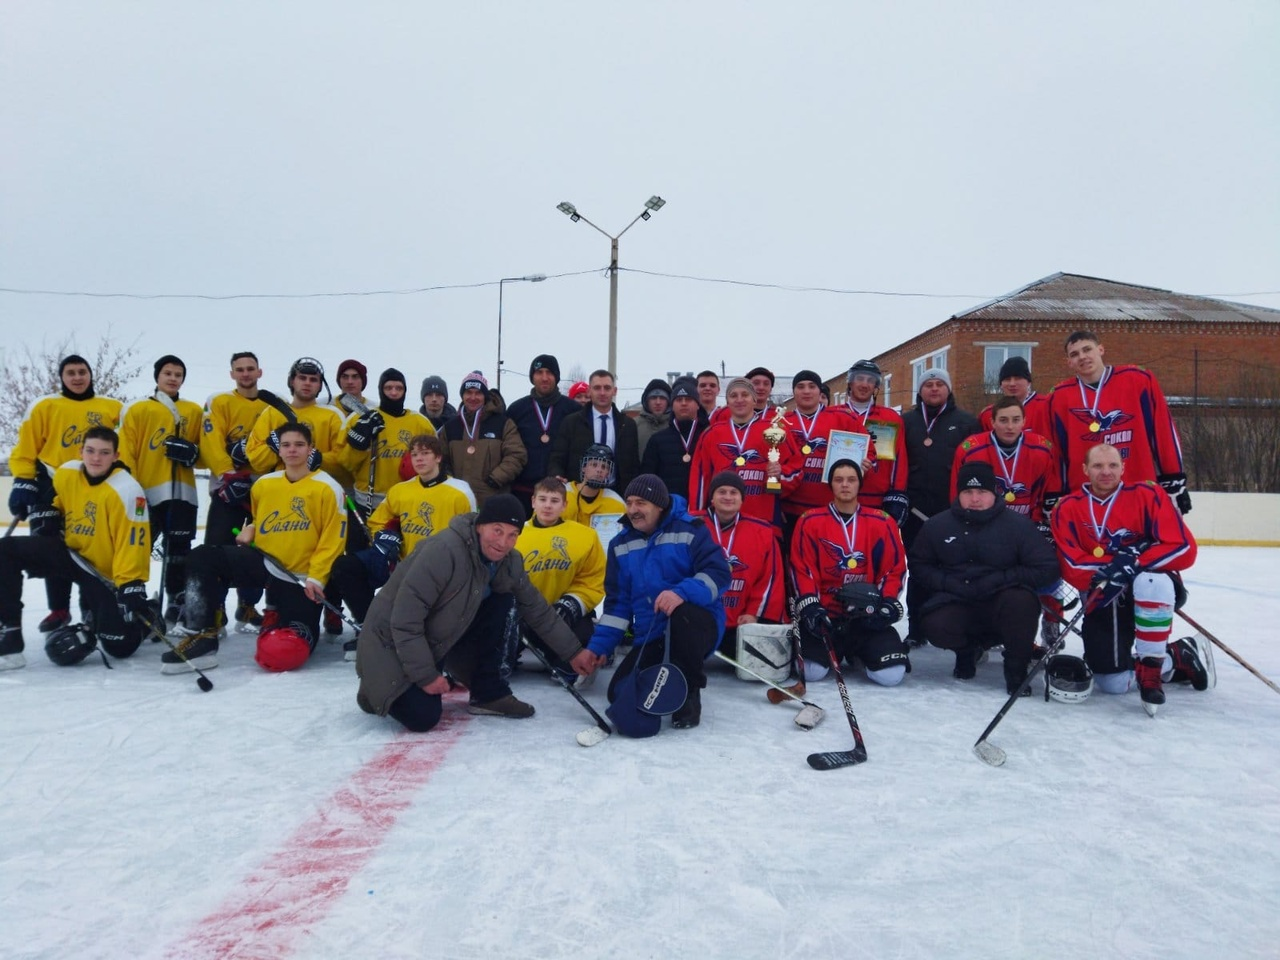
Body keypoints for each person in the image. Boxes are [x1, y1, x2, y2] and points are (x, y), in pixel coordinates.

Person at [355, 494, 600, 732]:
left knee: (503, 600)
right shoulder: (443, 551)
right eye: (497, 530)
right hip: (389, 642)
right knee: (423, 718)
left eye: (512, 535)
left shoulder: (508, 562)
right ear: (481, 525)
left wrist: (573, 652)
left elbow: (537, 610)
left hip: (436, 639)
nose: (503, 542)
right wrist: (427, 676)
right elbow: (404, 622)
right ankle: (373, 689)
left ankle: (488, 695)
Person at [167, 422, 347, 674]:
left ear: (310, 449)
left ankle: (277, 612)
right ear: (279, 450)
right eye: (286, 445)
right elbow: (261, 519)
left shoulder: (328, 487)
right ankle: (203, 635)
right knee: (203, 557)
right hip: (265, 563)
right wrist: (251, 529)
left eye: (299, 445)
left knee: (285, 652)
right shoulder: (265, 484)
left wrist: (317, 577)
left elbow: (333, 540)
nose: (292, 450)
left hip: (300, 579)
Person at [1051, 443, 1206, 712]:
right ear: (1085, 469)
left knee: (1150, 581)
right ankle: (1176, 657)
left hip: (1152, 589)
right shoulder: (1066, 507)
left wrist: (1134, 563)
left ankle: (1151, 671)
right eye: (1098, 466)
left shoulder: (1148, 495)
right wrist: (1118, 564)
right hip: (1102, 595)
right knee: (1112, 683)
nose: (1106, 472)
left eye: (1113, 465)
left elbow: (1183, 548)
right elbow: (1073, 567)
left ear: (1124, 468)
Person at [585, 475, 731, 730]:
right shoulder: (620, 544)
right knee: (618, 692)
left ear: (659, 505)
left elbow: (719, 574)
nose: (632, 510)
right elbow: (617, 605)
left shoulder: (691, 529)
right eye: (629, 502)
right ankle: (666, 684)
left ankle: (689, 690)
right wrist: (598, 647)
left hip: (694, 626)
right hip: (650, 633)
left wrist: (681, 592)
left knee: (683, 613)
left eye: (641, 502)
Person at [0, 426, 150, 671]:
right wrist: (48, 510)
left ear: (116, 456)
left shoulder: (127, 491)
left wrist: (131, 583)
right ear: (80, 451)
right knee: (6, 550)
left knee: (118, 646)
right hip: (69, 554)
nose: (96, 458)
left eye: (104, 452)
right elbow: (63, 499)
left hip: (101, 573)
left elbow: (133, 542)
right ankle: (10, 636)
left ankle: (146, 617)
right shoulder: (66, 473)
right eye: (90, 451)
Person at [909, 462, 1061, 694]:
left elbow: (1046, 567)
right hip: (957, 598)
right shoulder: (938, 525)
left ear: (994, 493)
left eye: (982, 492)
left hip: (1002, 601)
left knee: (1021, 601)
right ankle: (966, 651)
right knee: (935, 623)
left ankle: (1016, 669)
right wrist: (948, 583)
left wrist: (1001, 579)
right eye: (968, 492)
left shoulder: (1018, 526)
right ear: (959, 494)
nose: (975, 499)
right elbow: (920, 565)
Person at [327, 433, 474, 659]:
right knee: (346, 566)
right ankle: (369, 628)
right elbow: (377, 521)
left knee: (414, 618)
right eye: (414, 454)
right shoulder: (401, 490)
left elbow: (471, 534)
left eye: (425, 453)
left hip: (438, 571)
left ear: (438, 458)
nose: (419, 459)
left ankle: (403, 633)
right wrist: (387, 536)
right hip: (400, 563)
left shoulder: (460, 492)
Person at [7, 354, 123, 634]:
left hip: (95, 484)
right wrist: (24, 481)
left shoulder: (113, 407)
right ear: (62, 377)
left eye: (82, 371)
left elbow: (126, 445)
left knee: (90, 544)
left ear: (90, 374)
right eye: (70, 372)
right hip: (51, 483)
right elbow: (25, 448)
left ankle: (91, 603)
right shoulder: (45, 406)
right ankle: (59, 608)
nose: (77, 377)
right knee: (48, 542)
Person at [789, 460, 910, 687]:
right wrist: (811, 606)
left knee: (891, 676)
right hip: (826, 616)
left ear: (859, 484)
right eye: (839, 480)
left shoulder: (882, 522)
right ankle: (837, 648)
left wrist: (887, 604)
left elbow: (894, 569)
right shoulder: (809, 521)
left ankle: (859, 653)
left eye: (851, 479)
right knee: (811, 672)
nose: (845, 485)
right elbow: (802, 568)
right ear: (831, 485)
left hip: (865, 617)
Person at [1047, 330, 1190, 513]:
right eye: (1074, 354)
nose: (1082, 357)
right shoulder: (1059, 397)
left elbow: (1163, 433)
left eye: (1087, 350)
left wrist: (1174, 479)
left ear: (1101, 350)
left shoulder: (1138, 380)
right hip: (1086, 498)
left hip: (1138, 491)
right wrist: (1055, 494)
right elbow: (1056, 452)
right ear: (1069, 362)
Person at [116, 354, 204, 625]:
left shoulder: (194, 411)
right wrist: (130, 486)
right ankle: (132, 597)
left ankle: (176, 598)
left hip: (183, 493)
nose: (173, 378)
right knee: (138, 548)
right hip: (146, 492)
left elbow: (205, 453)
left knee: (179, 550)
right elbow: (126, 450)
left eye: (178, 374)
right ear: (157, 377)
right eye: (168, 373)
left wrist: (194, 453)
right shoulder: (137, 408)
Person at [509, 477, 607, 681]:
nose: (547, 506)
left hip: (563, 618)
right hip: (523, 618)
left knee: (576, 662)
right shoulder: (514, 535)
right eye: (543, 499)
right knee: (494, 659)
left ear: (564, 505)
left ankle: (560, 658)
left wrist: (574, 602)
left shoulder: (585, 536)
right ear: (533, 501)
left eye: (554, 501)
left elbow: (593, 578)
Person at [199, 351, 268, 629]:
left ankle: (247, 606)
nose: (246, 374)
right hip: (228, 490)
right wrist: (227, 474)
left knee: (257, 550)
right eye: (240, 369)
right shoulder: (220, 401)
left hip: (260, 491)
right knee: (217, 549)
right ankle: (215, 609)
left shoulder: (271, 404)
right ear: (232, 374)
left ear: (259, 372)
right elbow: (211, 439)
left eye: (250, 368)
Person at [688, 377, 801, 531]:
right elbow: (701, 477)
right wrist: (697, 512)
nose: (739, 400)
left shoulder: (774, 430)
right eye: (733, 396)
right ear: (727, 402)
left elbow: (797, 467)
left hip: (764, 517)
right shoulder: (712, 434)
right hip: (722, 520)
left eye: (745, 395)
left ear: (754, 400)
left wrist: (782, 473)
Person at [779, 369, 871, 541]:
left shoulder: (842, 418)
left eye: (811, 386)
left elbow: (868, 450)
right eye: (800, 387)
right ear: (794, 392)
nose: (806, 391)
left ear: (819, 391)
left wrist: (865, 463)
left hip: (830, 507)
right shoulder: (781, 422)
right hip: (790, 509)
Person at [702, 472, 785, 656]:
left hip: (742, 623)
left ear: (742, 499)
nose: (728, 497)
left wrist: (753, 613)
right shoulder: (693, 525)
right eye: (721, 492)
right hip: (701, 620)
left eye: (734, 492)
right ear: (712, 499)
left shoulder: (762, 531)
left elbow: (770, 578)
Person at [339, 367, 437, 515]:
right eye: (388, 388)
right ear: (380, 390)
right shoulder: (360, 418)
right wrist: (358, 444)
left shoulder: (421, 423)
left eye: (399, 388)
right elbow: (345, 464)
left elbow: (437, 462)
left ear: (405, 391)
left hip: (408, 500)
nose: (393, 392)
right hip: (367, 501)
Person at [951, 395, 1055, 525]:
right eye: (1003, 420)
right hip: (983, 524)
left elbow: (1048, 491)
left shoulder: (1042, 450)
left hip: (1026, 524)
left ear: (1024, 421)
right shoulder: (970, 450)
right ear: (992, 422)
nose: (1010, 427)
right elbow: (957, 494)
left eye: (1016, 420)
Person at [243, 357, 343, 478]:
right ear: (292, 381)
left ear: (320, 386)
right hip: (279, 486)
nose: (307, 383)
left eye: (313, 380)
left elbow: (344, 460)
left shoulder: (332, 415)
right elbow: (255, 461)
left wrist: (320, 459)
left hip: (317, 488)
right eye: (302, 378)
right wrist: (273, 447)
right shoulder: (273, 412)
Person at [438, 372, 527, 508]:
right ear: (462, 395)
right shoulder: (450, 427)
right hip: (458, 500)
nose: (473, 397)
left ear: (485, 396)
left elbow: (517, 455)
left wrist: (496, 479)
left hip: (493, 499)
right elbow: (441, 459)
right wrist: (451, 482)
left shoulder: (503, 423)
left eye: (478, 393)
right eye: (468, 392)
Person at [547, 369, 640, 493]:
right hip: (580, 493)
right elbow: (558, 456)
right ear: (589, 391)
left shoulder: (627, 425)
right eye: (597, 388)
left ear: (614, 391)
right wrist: (556, 475)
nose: (602, 393)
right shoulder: (572, 422)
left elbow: (633, 464)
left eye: (607, 388)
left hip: (616, 493)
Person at [506, 354, 580, 507]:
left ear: (556, 377)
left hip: (560, 493)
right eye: (539, 372)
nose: (544, 378)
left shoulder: (573, 409)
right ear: (532, 377)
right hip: (523, 492)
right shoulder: (517, 409)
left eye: (549, 373)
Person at [840, 360, 908, 524]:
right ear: (850, 382)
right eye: (860, 379)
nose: (865, 384)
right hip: (839, 496)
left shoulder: (890, 417)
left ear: (876, 386)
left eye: (870, 380)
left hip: (877, 499)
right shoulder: (834, 414)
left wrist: (897, 492)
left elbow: (899, 459)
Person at [640, 375, 707, 499]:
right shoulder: (657, 440)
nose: (683, 403)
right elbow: (648, 479)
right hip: (669, 508)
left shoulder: (709, 436)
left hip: (702, 507)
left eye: (688, 399)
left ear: (698, 404)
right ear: (672, 405)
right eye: (678, 400)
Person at [561, 443, 627, 538]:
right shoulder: (562, 494)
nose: (599, 470)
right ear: (584, 467)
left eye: (604, 467)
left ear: (608, 473)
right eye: (594, 465)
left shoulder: (616, 502)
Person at [978, 356, 1051, 437]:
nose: (1012, 384)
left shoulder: (1047, 406)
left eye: (1018, 378)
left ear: (1028, 382)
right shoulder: (988, 415)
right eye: (1007, 379)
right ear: (1001, 384)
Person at [635, 378, 672, 458]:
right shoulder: (634, 425)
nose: (658, 402)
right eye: (653, 398)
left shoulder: (675, 425)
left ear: (669, 402)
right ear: (646, 401)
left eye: (662, 398)